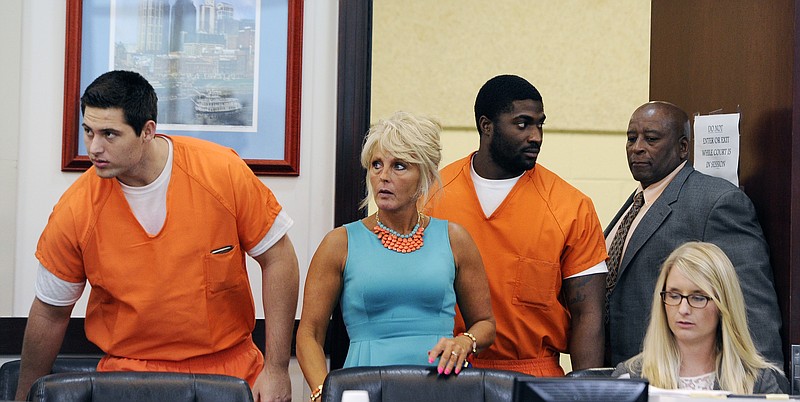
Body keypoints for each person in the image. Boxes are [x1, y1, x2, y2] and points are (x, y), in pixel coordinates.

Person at [14, 70, 299, 401]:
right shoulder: (76, 210)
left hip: (229, 372)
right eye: (88, 132)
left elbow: (279, 258)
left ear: (147, 131)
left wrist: (277, 369)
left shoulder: (221, 172)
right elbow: (50, 312)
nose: (94, 148)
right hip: (128, 378)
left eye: (110, 134)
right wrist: (23, 397)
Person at [296, 111, 496, 398]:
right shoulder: (339, 243)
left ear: (425, 175)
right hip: (363, 389)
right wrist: (322, 393)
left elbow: (486, 324)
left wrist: (466, 340)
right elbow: (309, 334)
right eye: (376, 164)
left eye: (399, 166)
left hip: (442, 389)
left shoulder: (454, 238)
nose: (383, 176)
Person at [426, 75, 608, 377]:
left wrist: (586, 392)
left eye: (540, 124)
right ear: (487, 126)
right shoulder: (431, 196)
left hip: (533, 376)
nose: (536, 136)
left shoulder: (571, 207)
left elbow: (588, 313)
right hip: (447, 372)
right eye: (523, 124)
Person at [605, 101, 783, 368]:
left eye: (651, 139)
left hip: (680, 376)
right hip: (627, 374)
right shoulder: (636, 203)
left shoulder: (717, 202)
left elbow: (750, 304)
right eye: (632, 138)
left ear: (683, 148)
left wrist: (764, 386)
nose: (637, 147)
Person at [612, 242, 788, 394]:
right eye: (674, 296)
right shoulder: (631, 377)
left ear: (723, 305)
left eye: (698, 297)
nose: (683, 309)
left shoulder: (756, 382)